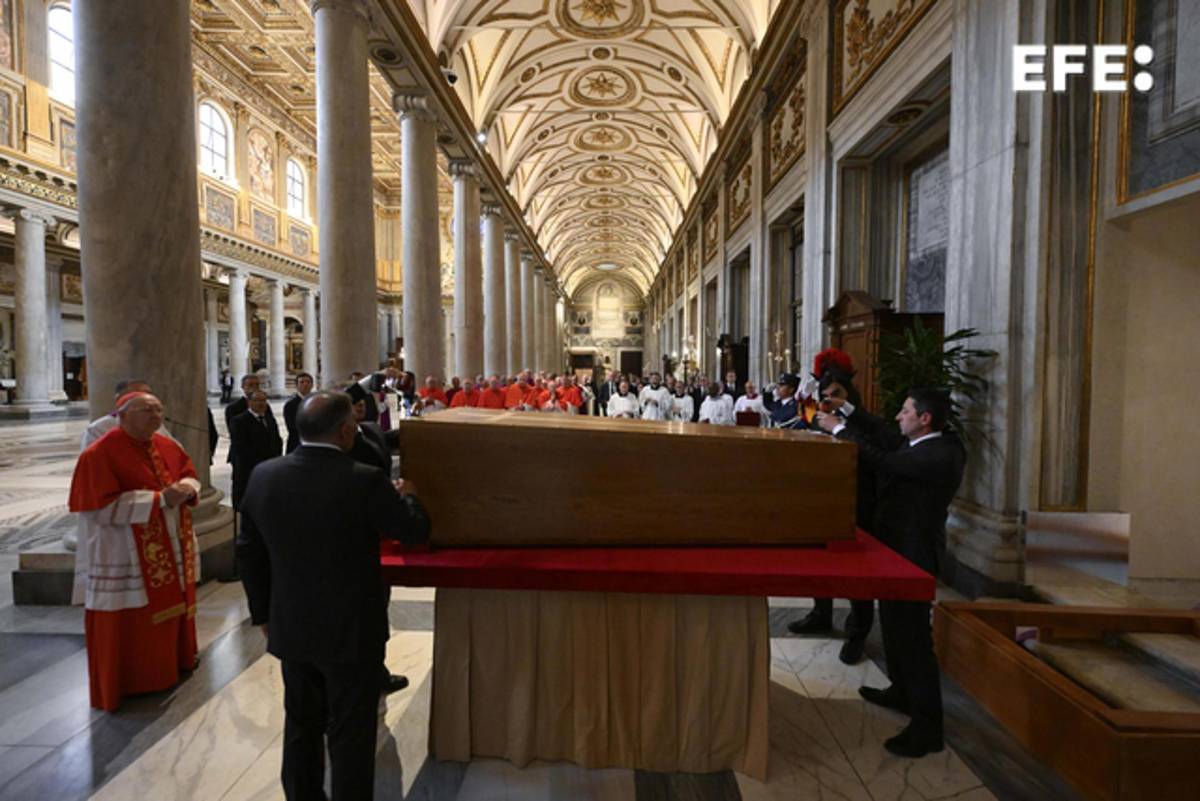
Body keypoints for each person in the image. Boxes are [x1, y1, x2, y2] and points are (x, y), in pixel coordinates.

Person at [236, 391, 431, 800]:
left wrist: (263, 614)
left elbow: (249, 552)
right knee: (350, 731)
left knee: (302, 724)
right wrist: (409, 494)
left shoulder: (264, 475)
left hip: (291, 624)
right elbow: (412, 531)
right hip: (351, 628)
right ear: (345, 431)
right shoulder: (363, 479)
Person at [816, 388, 965, 758]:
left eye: (905, 410)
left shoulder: (943, 453)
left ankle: (929, 729)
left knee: (914, 640)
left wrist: (839, 430)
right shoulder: (918, 440)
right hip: (895, 549)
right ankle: (900, 692)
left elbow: (884, 461)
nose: (899, 416)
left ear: (925, 418)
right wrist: (847, 409)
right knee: (895, 629)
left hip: (915, 554)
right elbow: (882, 432)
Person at [69, 392, 201, 711]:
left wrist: (188, 488)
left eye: (159, 409)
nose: (156, 416)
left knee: (169, 612)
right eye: (147, 410)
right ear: (122, 415)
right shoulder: (99, 454)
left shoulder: (167, 445)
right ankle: (132, 681)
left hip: (167, 546)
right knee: (130, 622)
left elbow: (189, 474)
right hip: (123, 553)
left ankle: (171, 667)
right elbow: (96, 509)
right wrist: (158, 500)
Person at [787, 366, 878, 664]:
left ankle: (857, 631)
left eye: (836, 395)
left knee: (858, 571)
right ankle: (820, 613)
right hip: (825, 498)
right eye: (825, 395)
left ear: (849, 395)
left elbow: (869, 453)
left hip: (857, 501)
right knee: (819, 561)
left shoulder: (862, 422)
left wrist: (839, 425)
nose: (829, 400)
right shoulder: (818, 418)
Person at [228, 390, 283, 512]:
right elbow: (241, 447)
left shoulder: (269, 419)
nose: (261, 403)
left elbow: (277, 440)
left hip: (269, 468)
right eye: (257, 400)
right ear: (249, 402)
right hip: (249, 470)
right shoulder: (239, 421)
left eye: (263, 400)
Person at [346, 383, 391, 475]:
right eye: (354, 401)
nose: (361, 403)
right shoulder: (336, 439)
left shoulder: (371, 427)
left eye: (362, 399)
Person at [283, 372, 314, 454]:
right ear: (296, 385)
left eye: (308, 382)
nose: (305, 384)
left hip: (315, 444)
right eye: (302, 382)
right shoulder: (290, 405)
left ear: (312, 385)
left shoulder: (317, 402)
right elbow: (291, 427)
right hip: (297, 444)